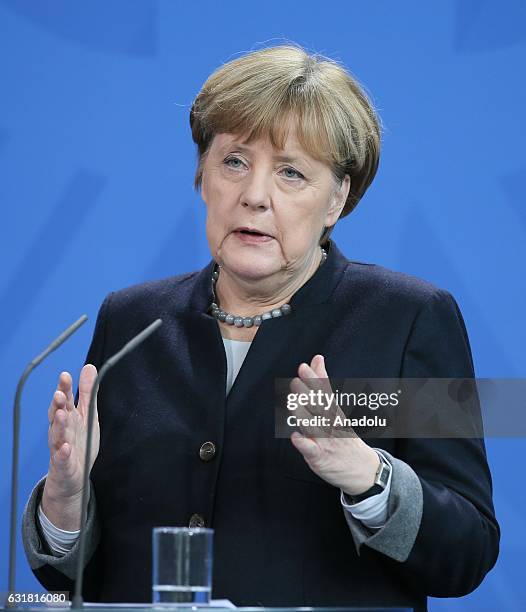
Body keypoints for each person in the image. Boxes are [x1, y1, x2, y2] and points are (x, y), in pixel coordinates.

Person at [22, 45, 499, 611]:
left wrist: (367, 475)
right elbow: (68, 578)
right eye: (234, 162)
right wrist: (66, 500)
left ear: (336, 199)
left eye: (291, 173)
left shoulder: (409, 320)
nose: (254, 195)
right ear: (202, 177)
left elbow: (469, 550)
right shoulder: (130, 321)